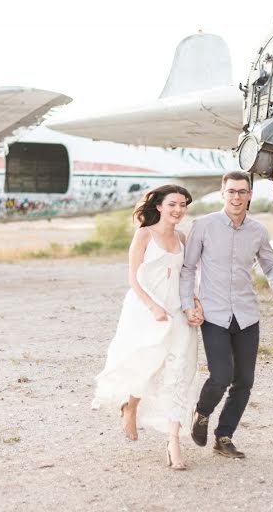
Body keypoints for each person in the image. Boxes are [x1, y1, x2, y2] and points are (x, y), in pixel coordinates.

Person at [93, 184, 204, 470]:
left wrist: (194, 304)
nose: (178, 210)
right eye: (172, 205)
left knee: (180, 371)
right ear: (159, 206)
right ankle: (130, 406)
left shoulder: (181, 237)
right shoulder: (144, 234)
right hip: (146, 309)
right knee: (147, 364)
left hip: (177, 311)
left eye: (183, 205)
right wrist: (153, 307)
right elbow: (133, 278)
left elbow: (186, 277)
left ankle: (173, 441)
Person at [180, 170, 273, 459]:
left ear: (250, 194)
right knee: (221, 376)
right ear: (222, 193)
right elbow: (188, 268)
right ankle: (202, 413)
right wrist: (187, 303)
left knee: (244, 381)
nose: (236, 197)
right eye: (231, 191)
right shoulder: (203, 226)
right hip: (213, 313)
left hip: (247, 314)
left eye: (242, 191)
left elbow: (270, 264)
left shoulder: (258, 231)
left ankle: (224, 437)